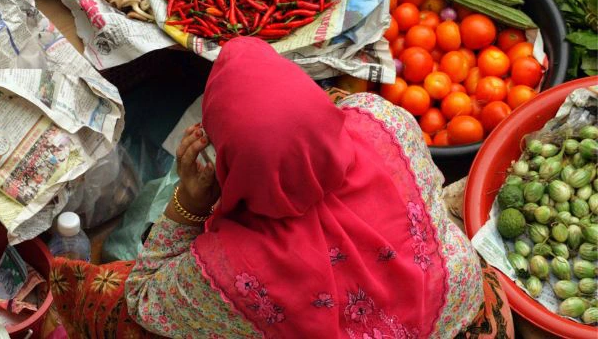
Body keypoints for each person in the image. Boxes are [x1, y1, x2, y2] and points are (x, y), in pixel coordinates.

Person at [124, 37, 512, 339]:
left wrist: (189, 204)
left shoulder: (229, 269)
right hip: (450, 310)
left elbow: (143, 298)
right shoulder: (384, 124)